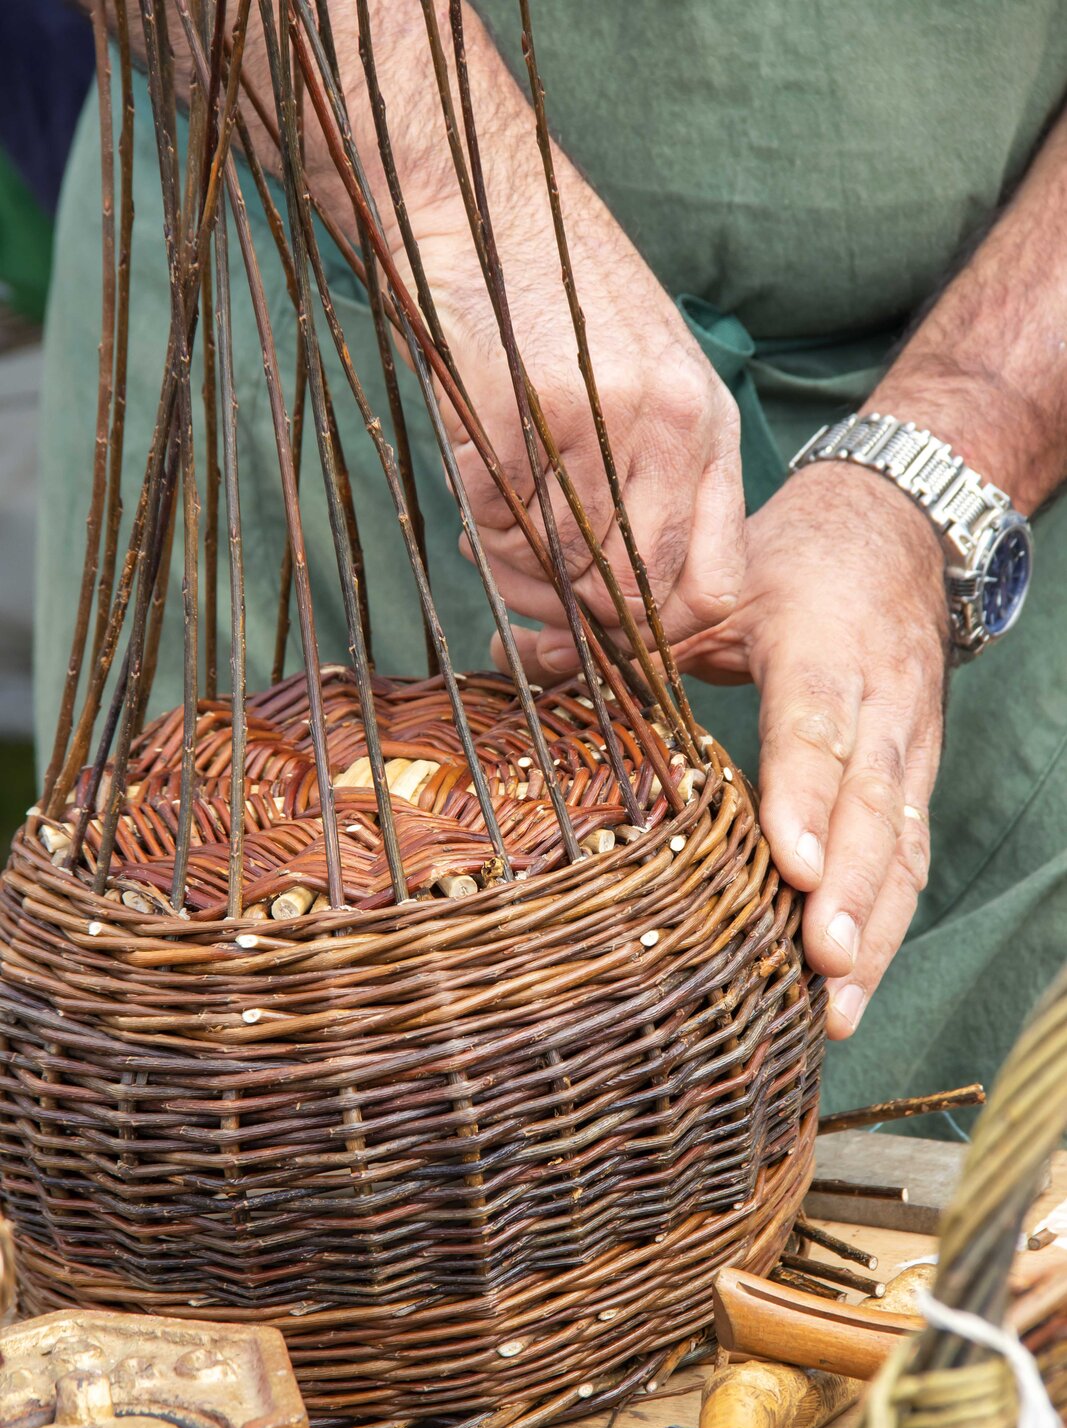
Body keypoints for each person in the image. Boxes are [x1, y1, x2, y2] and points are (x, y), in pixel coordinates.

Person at [38, 2, 1067, 1112]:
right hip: (308, 316)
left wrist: (957, 445)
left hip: (1008, 387)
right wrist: (455, 202)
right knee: (275, 1149)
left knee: (961, 1253)